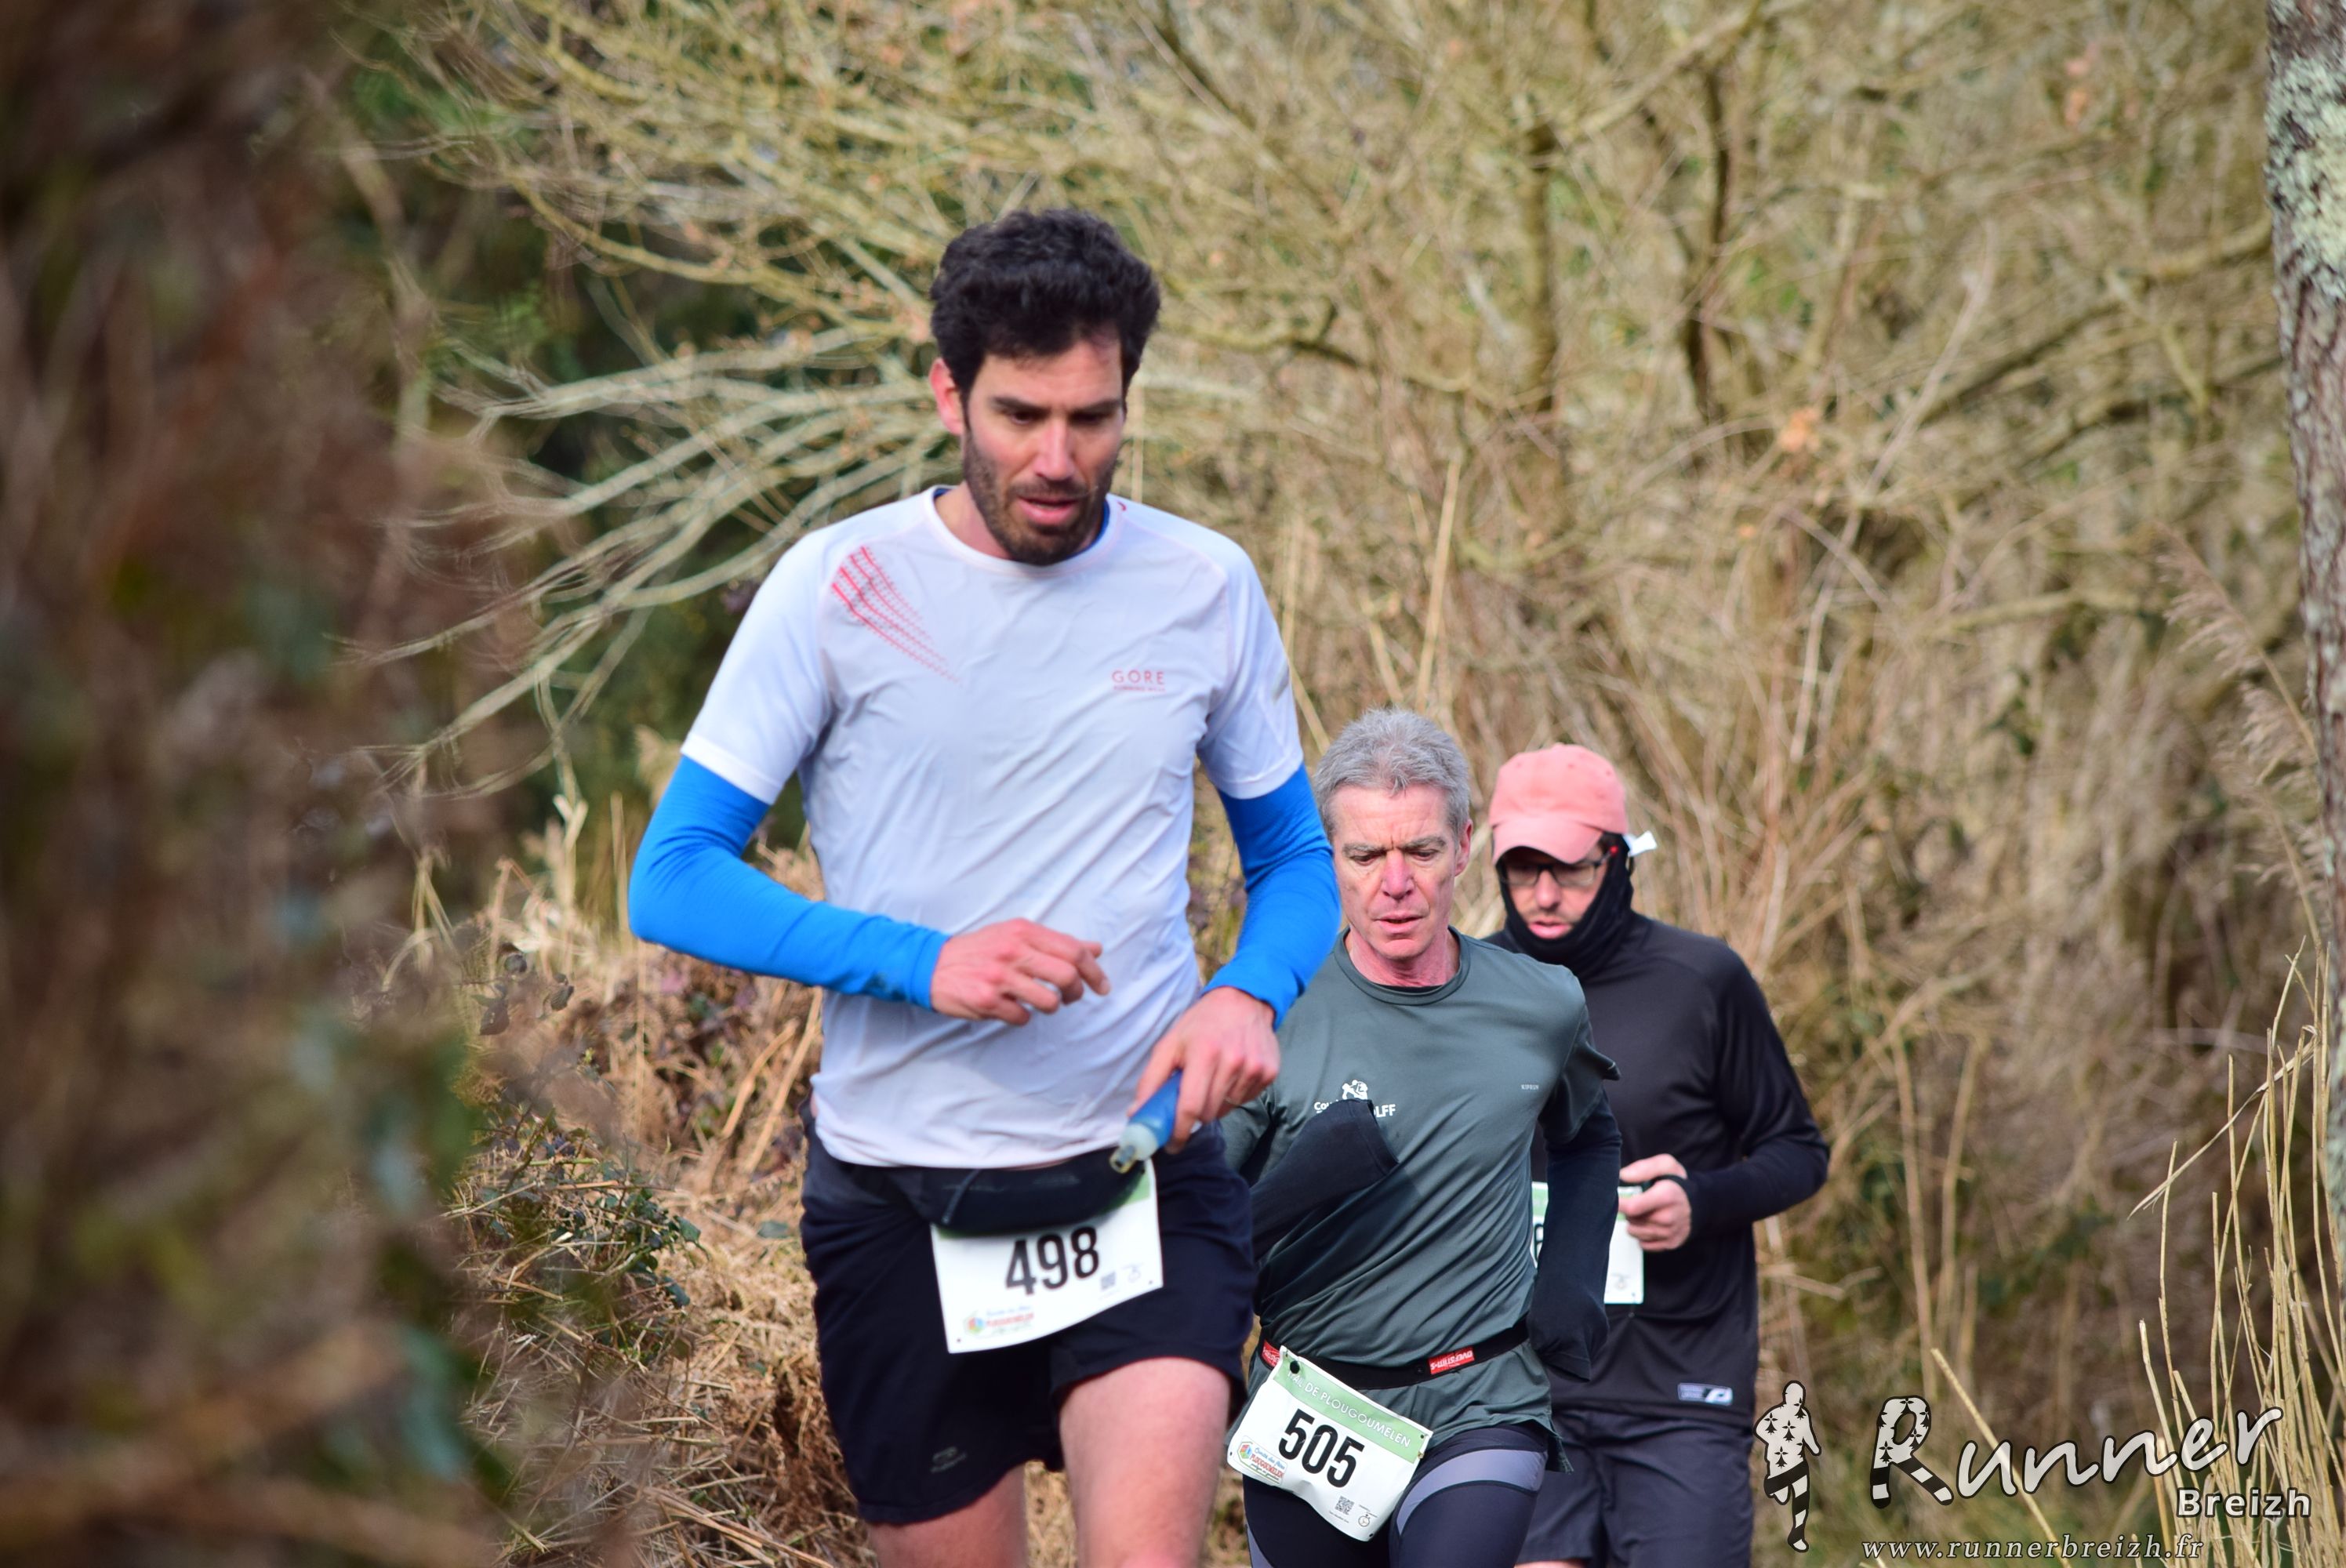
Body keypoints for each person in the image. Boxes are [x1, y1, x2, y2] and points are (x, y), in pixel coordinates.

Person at [627, 208, 1338, 1568]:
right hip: (903, 1202)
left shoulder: (1204, 584)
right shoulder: (837, 586)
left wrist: (1249, 993)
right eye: (1021, 415)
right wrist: (922, 961)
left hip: (1141, 1178)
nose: (1058, 459)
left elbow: (1297, 862)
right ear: (948, 393)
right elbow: (672, 880)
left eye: (1093, 417)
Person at [1222, 710, 1623, 1568]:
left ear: (1465, 844)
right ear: (1328, 858)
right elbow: (1199, 1222)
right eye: (1366, 854)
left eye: (1421, 850)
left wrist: (1570, 1278)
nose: (1395, 883)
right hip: (1311, 1401)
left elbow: (1590, 1138)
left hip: (1480, 1396)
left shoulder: (1541, 1003)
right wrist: (1299, 1186)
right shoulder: (1267, 1013)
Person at [1487, 744, 1829, 1568]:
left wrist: (1699, 1201)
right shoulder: (1471, 987)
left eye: (1568, 869)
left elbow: (1798, 1150)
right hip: (1520, 1384)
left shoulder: (1702, 980)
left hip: (1679, 1385)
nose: (1543, 894)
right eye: (1523, 868)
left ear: (1617, 858)